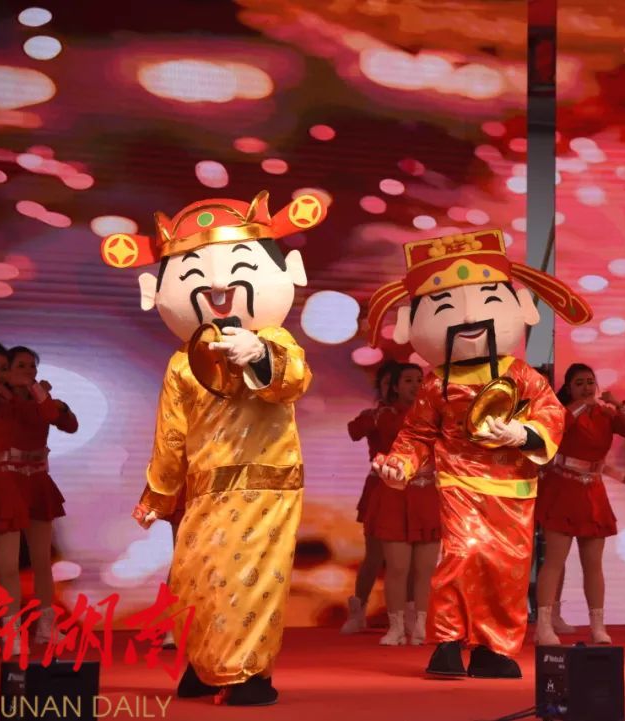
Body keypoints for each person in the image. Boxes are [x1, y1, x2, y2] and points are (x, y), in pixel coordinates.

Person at [102, 189, 325, 705]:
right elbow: (171, 435)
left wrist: (259, 352)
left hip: (266, 482)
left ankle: (247, 673)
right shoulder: (182, 361)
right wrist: (159, 496)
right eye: (195, 275)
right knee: (197, 576)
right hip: (205, 489)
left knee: (251, 577)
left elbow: (293, 381)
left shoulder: (277, 339)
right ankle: (206, 665)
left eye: (238, 268)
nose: (219, 285)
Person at [366, 228, 591, 678]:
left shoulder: (521, 374)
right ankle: (448, 642)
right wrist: (399, 464)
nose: (469, 317)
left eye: (489, 300)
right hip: (459, 481)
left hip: (513, 486)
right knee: (462, 553)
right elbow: (417, 433)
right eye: (444, 307)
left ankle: (494, 649)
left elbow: (552, 414)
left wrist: (523, 434)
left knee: (506, 566)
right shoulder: (436, 382)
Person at [0, 346, 78, 647]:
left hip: (34, 485)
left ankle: (43, 627)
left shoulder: (37, 401)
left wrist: (40, 393)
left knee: (39, 560)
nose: (27, 371)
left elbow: (66, 423)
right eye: (19, 366)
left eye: (31, 366)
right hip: (3, 485)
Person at [534, 363, 625, 645]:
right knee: (554, 561)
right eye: (579, 383)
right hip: (563, 489)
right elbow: (557, 427)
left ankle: (597, 626)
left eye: (590, 382)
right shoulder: (562, 411)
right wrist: (582, 405)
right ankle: (544, 625)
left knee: (593, 564)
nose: (586, 388)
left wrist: (619, 404)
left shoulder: (605, 414)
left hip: (592, 492)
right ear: (569, 388)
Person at [362, 363, 440, 645]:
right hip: (394, 495)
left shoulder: (436, 415)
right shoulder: (386, 417)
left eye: (419, 380)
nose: (415, 385)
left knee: (425, 571)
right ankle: (396, 627)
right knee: (397, 569)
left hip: (427, 495)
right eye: (408, 380)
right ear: (394, 386)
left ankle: (420, 625)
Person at [341, 360, 398, 634]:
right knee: (374, 555)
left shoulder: (420, 416)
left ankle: (407, 616)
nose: (394, 389)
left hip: (414, 490)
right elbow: (354, 432)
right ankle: (358, 612)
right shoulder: (375, 416)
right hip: (380, 489)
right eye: (388, 383)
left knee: (409, 559)